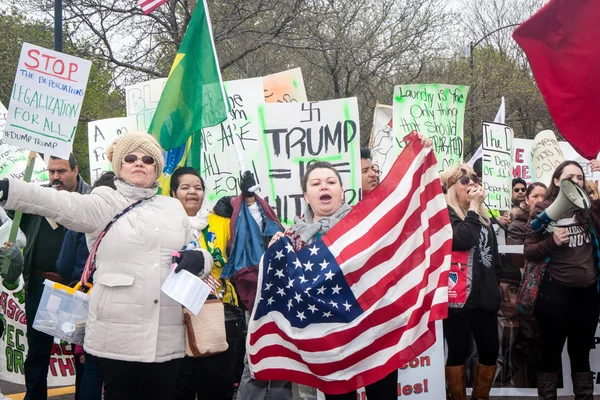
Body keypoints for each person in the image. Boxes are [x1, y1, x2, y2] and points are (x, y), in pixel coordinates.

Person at [0, 132, 210, 400]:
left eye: (147, 159)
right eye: (130, 158)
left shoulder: (173, 208)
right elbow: (58, 203)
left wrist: (199, 259)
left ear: (156, 168)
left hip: (165, 336)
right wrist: (11, 189)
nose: (139, 163)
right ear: (119, 165)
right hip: (116, 335)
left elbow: (199, 251)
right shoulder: (104, 201)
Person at [271, 133, 433, 400]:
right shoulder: (292, 239)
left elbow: (403, 207)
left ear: (342, 191)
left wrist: (420, 154)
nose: (324, 186)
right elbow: (284, 293)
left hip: (373, 333)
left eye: (331, 181)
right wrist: (276, 254)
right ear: (306, 195)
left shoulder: (366, 221)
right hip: (331, 342)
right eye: (316, 183)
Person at [14, 153, 91, 400]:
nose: (55, 177)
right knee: (37, 352)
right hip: (41, 285)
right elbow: (15, 224)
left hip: (78, 287)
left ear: (76, 170)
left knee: (81, 353)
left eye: (62, 171)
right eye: (51, 171)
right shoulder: (39, 198)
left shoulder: (92, 199)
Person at [524, 161, 599, 399]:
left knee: (581, 352)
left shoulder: (589, 209)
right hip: (555, 292)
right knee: (551, 349)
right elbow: (529, 250)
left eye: (580, 177)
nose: (576, 181)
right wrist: (551, 242)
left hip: (587, 293)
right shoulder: (543, 209)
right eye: (570, 177)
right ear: (557, 181)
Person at [170, 167, 245, 400]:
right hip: (177, 318)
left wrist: (244, 200)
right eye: (185, 187)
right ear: (173, 193)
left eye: (198, 188)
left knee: (217, 389)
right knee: (179, 388)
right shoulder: (163, 224)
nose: (193, 192)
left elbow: (248, 230)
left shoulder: (219, 219)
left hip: (220, 315)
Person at [440, 164, 502, 400]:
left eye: (474, 178)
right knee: (458, 351)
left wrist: (496, 287)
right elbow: (463, 238)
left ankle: (480, 397)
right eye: (464, 180)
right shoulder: (446, 214)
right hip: (457, 300)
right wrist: (474, 208)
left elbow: (494, 259)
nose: (472, 183)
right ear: (451, 188)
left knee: (489, 351)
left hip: (485, 299)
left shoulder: (484, 218)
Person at [55, 171, 116, 400]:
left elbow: (63, 264)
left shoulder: (82, 220)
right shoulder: (135, 222)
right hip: (125, 306)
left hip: (87, 300)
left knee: (90, 367)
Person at [507, 182, 546, 270]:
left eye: (544, 196)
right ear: (527, 200)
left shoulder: (556, 221)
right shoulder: (516, 226)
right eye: (535, 196)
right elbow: (518, 259)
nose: (540, 200)